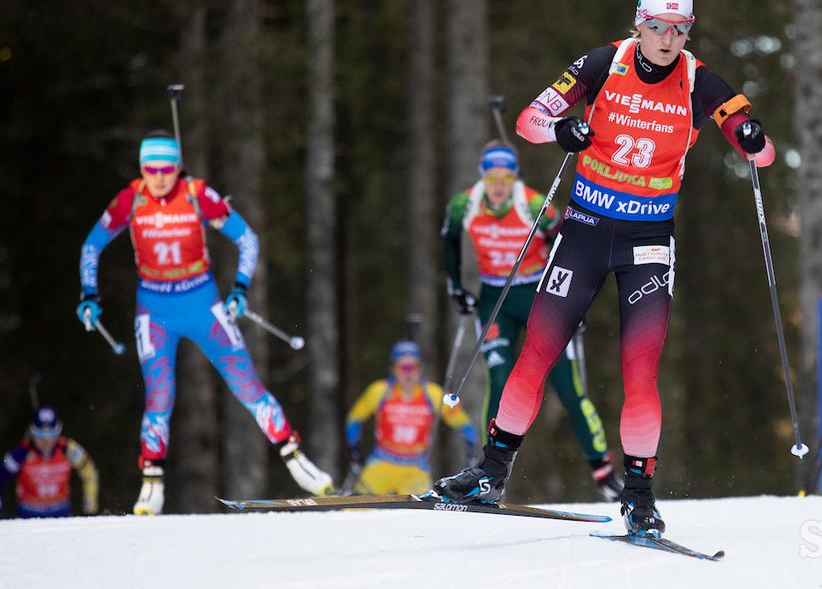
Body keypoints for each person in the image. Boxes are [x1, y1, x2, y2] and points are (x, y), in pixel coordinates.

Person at [433, 0, 775, 537]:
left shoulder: (699, 80)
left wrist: (754, 138)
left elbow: (759, 152)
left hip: (647, 240)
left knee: (640, 372)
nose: (668, 39)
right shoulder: (602, 64)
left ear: (688, 31)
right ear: (639, 23)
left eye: (679, 29)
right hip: (586, 229)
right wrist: (562, 130)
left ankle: (640, 497)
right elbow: (529, 121)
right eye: (658, 26)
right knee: (536, 354)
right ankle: (491, 472)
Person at [76, 135, 333, 515]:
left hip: (203, 305)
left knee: (246, 384)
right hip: (155, 312)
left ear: (178, 168)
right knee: (159, 395)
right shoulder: (130, 200)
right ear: (141, 170)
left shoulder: (198, 195)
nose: (159, 177)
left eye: (166, 169)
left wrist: (240, 289)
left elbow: (247, 240)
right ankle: (151, 483)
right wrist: (89, 296)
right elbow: (91, 247)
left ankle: (297, 461)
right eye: (150, 169)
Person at [442, 140, 623, 500]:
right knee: (499, 381)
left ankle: (604, 473)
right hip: (495, 298)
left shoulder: (535, 204)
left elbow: (570, 245)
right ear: (482, 177)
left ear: (514, 177)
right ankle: (488, 471)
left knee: (568, 388)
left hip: (540, 295)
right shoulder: (465, 203)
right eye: (491, 178)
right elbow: (449, 239)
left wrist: (576, 300)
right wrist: (456, 287)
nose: (498, 186)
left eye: (505, 178)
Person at [344, 341, 479, 495]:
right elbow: (354, 419)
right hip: (381, 463)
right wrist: (354, 451)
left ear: (420, 369)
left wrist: (471, 451)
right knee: (358, 507)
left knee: (416, 512)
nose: (408, 373)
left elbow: (464, 423)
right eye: (403, 368)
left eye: (413, 367)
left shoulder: (433, 394)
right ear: (393, 369)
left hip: (416, 468)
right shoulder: (379, 391)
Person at [0, 406, 99, 518]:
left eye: (52, 433)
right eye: (40, 434)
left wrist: (90, 506)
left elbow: (90, 472)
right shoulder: (22, 452)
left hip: (62, 517)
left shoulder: (67, 448)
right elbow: (1, 475)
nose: (46, 440)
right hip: (28, 518)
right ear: (32, 431)